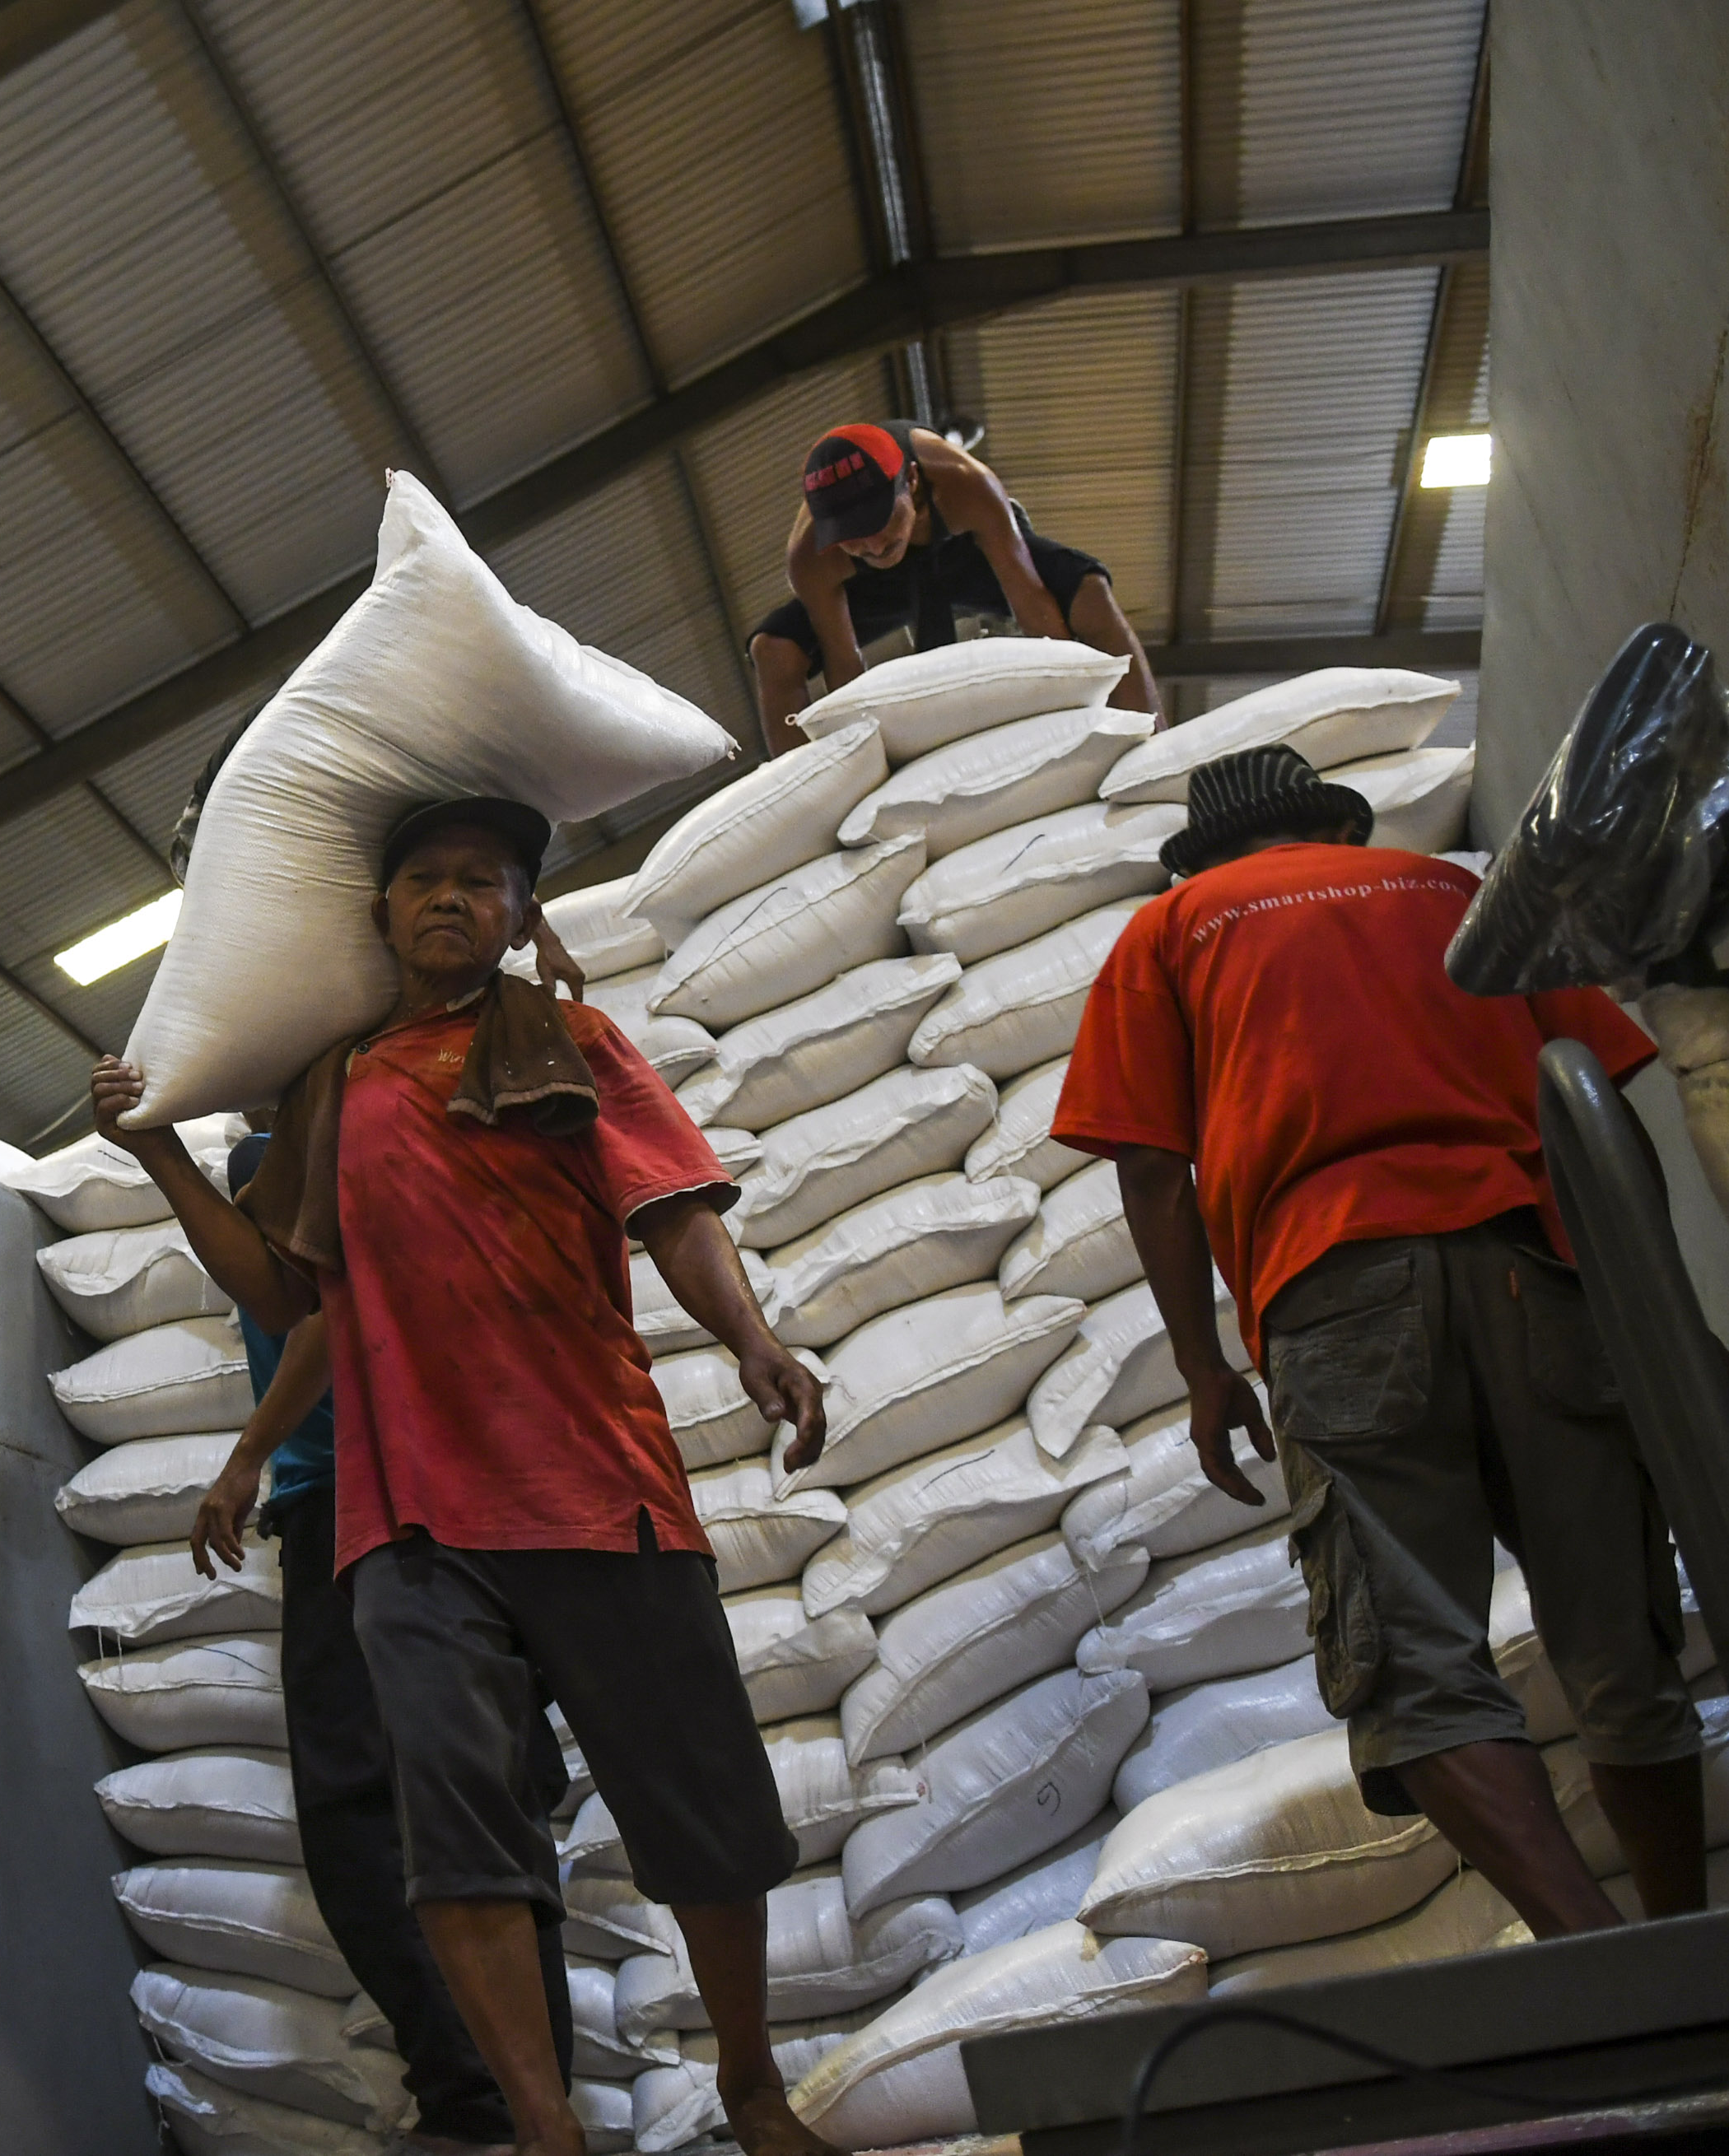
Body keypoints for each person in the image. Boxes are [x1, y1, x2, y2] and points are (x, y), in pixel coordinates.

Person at [91, 798, 837, 2156]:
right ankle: (542, 2127)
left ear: (517, 912)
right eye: (422, 880)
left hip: (596, 1483)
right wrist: (154, 1156)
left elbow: (668, 1206)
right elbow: (289, 1286)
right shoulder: (330, 1086)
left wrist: (753, 1340)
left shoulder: (570, 1039)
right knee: (459, 1839)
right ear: (379, 913)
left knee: (705, 1810)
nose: (448, 900)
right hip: (410, 1523)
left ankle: (750, 2085)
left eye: (480, 883)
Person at [1052, 745, 1707, 1938]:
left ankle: (1602, 1959)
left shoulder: (1173, 930)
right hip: (1538, 1271)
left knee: (1416, 1665)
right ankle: (1697, 1946)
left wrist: (1202, 1368)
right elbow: (1598, 1103)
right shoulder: (1457, 892)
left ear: (1204, 857)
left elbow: (1153, 1166)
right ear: (1336, 831)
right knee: (1622, 1637)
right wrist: (1662, 1312)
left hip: (1338, 1287)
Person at [188, 1175, 572, 2154]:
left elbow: (319, 1305)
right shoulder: (317, 1151)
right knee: (458, 1810)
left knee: (410, 1810)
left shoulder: (331, 1148)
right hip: (429, 1494)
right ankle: (517, 2108)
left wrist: (244, 1460)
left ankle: (493, 2109)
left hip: (392, 1495)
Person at [751, 420, 1158, 754]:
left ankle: (1153, 747)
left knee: (1089, 593)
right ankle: (811, 794)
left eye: (880, 520)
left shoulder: (966, 484)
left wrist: (1070, 706)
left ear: (910, 481)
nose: (873, 544)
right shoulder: (811, 557)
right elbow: (846, 668)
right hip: (873, 586)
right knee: (773, 650)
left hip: (968, 553)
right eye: (852, 536)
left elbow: (1029, 599)